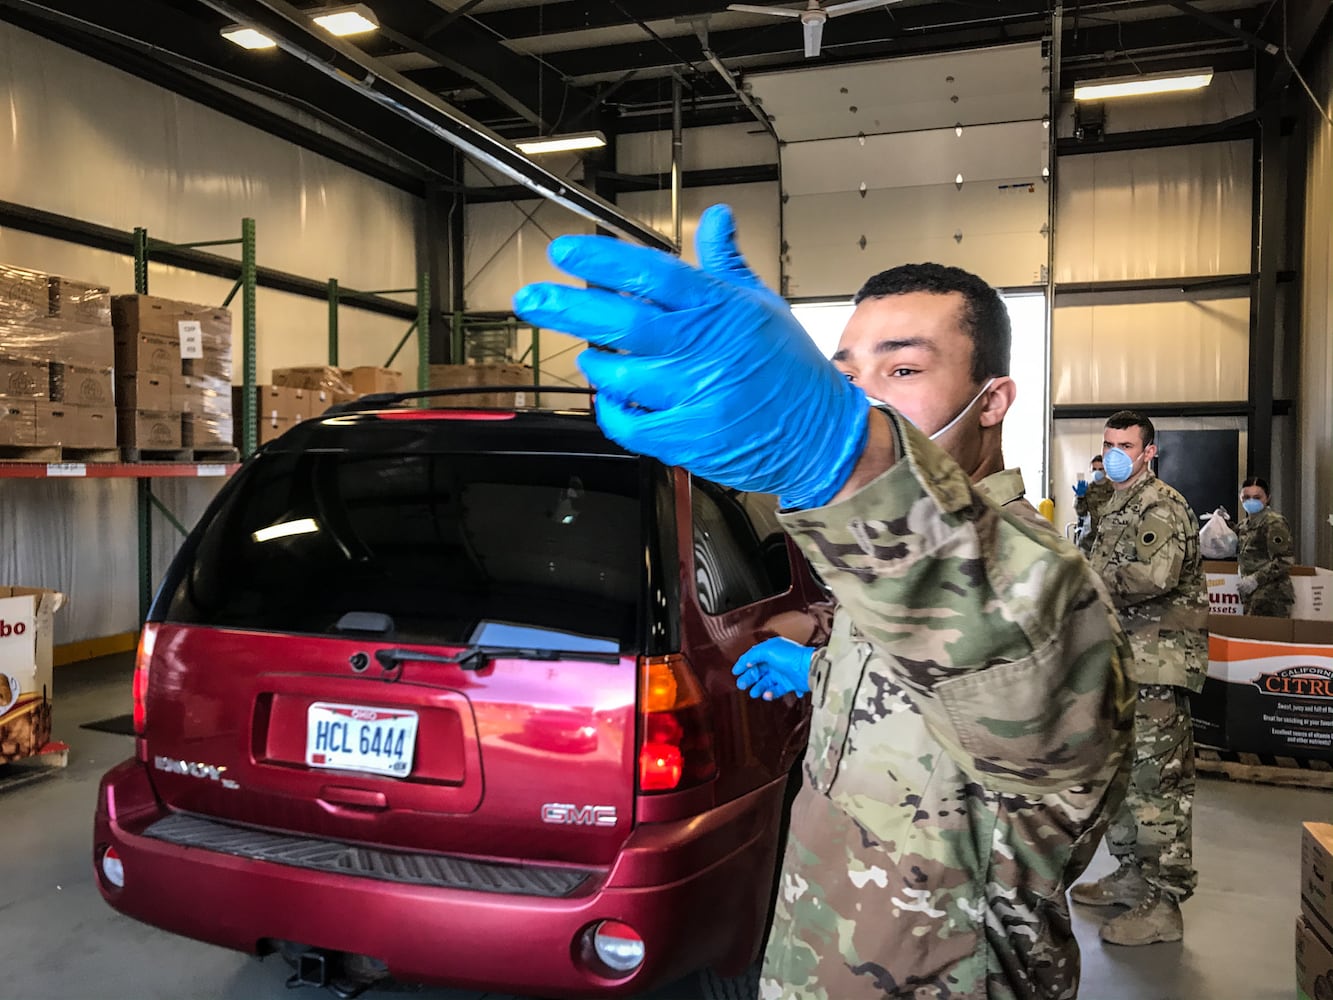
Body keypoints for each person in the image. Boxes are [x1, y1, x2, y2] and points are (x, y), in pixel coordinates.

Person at [513, 209, 1134, 1000]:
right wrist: (817, 655)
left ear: (990, 399)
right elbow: (907, 657)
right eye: (845, 377)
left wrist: (840, 453)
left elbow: (998, 649)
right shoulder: (878, 573)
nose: (867, 396)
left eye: (902, 371)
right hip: (817, 960)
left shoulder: (1040, 581)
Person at [1071, 410, 1208, 946]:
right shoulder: (1111, 505)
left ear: (1149, 450)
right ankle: (1133, 877)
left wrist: (1082, 578)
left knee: (1157, 788)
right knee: (1123, 783)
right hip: (1121, 664)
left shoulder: (1161, 504)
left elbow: (1155, 575)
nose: (1115, 453)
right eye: (1108, 443)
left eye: (1126, 444)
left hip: (1156, 666)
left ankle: (1165, 905)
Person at [1236, 476, 1295, 617]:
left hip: (1272, 596)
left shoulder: (1274, 523)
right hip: (1251, 596)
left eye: (1257, 497)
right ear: (1240, 498)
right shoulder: (1244, 525)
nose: (1251, 501)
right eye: (1246, 497)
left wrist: (1256, 579)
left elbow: (1285, 560)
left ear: (1267, 498)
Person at [1075, 454, 1114, 551]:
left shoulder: (1115, 488)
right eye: (1094, 469)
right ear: (1090, 470)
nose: (1097, 472)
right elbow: (1081, 513)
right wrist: (1080, 497)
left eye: (1100, 469)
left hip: (1109, 539)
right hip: (1089, 540)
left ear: (1106, 470)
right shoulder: (1087, 489)